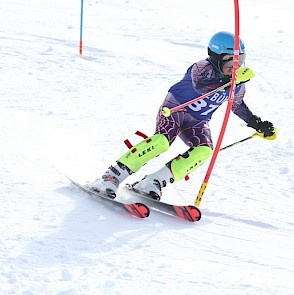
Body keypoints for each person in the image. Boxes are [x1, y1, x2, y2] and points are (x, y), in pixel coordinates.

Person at [92, 31, 275, 200]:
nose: (235, 66)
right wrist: (228, 82)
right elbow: (200, 86)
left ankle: (153, 182)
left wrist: (256, 123)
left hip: (197, 121)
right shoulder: (202, 68)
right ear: (216, 58)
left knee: (204, 151)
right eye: (229, 61)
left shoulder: (238, 84)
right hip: (175, 110)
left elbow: (237, 106)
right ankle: (111, 175)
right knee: (162, 142)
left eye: (240, 60)